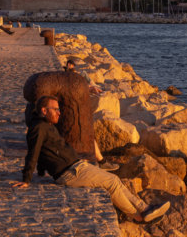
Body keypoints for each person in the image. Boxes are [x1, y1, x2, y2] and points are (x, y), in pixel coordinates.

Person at [12, 95, 170, 224]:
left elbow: (44, 153)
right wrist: (27, 179)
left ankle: (145, 208)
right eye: (55, 109)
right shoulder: (39, 128)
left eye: (59, 109)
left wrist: (41, 170)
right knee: (112, 183)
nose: (59, 112)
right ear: (44, 110)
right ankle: (139, 216)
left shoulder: (45, 124)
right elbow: (33, 152)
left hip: (76, 167)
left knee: (114, 179)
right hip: (70, 172)